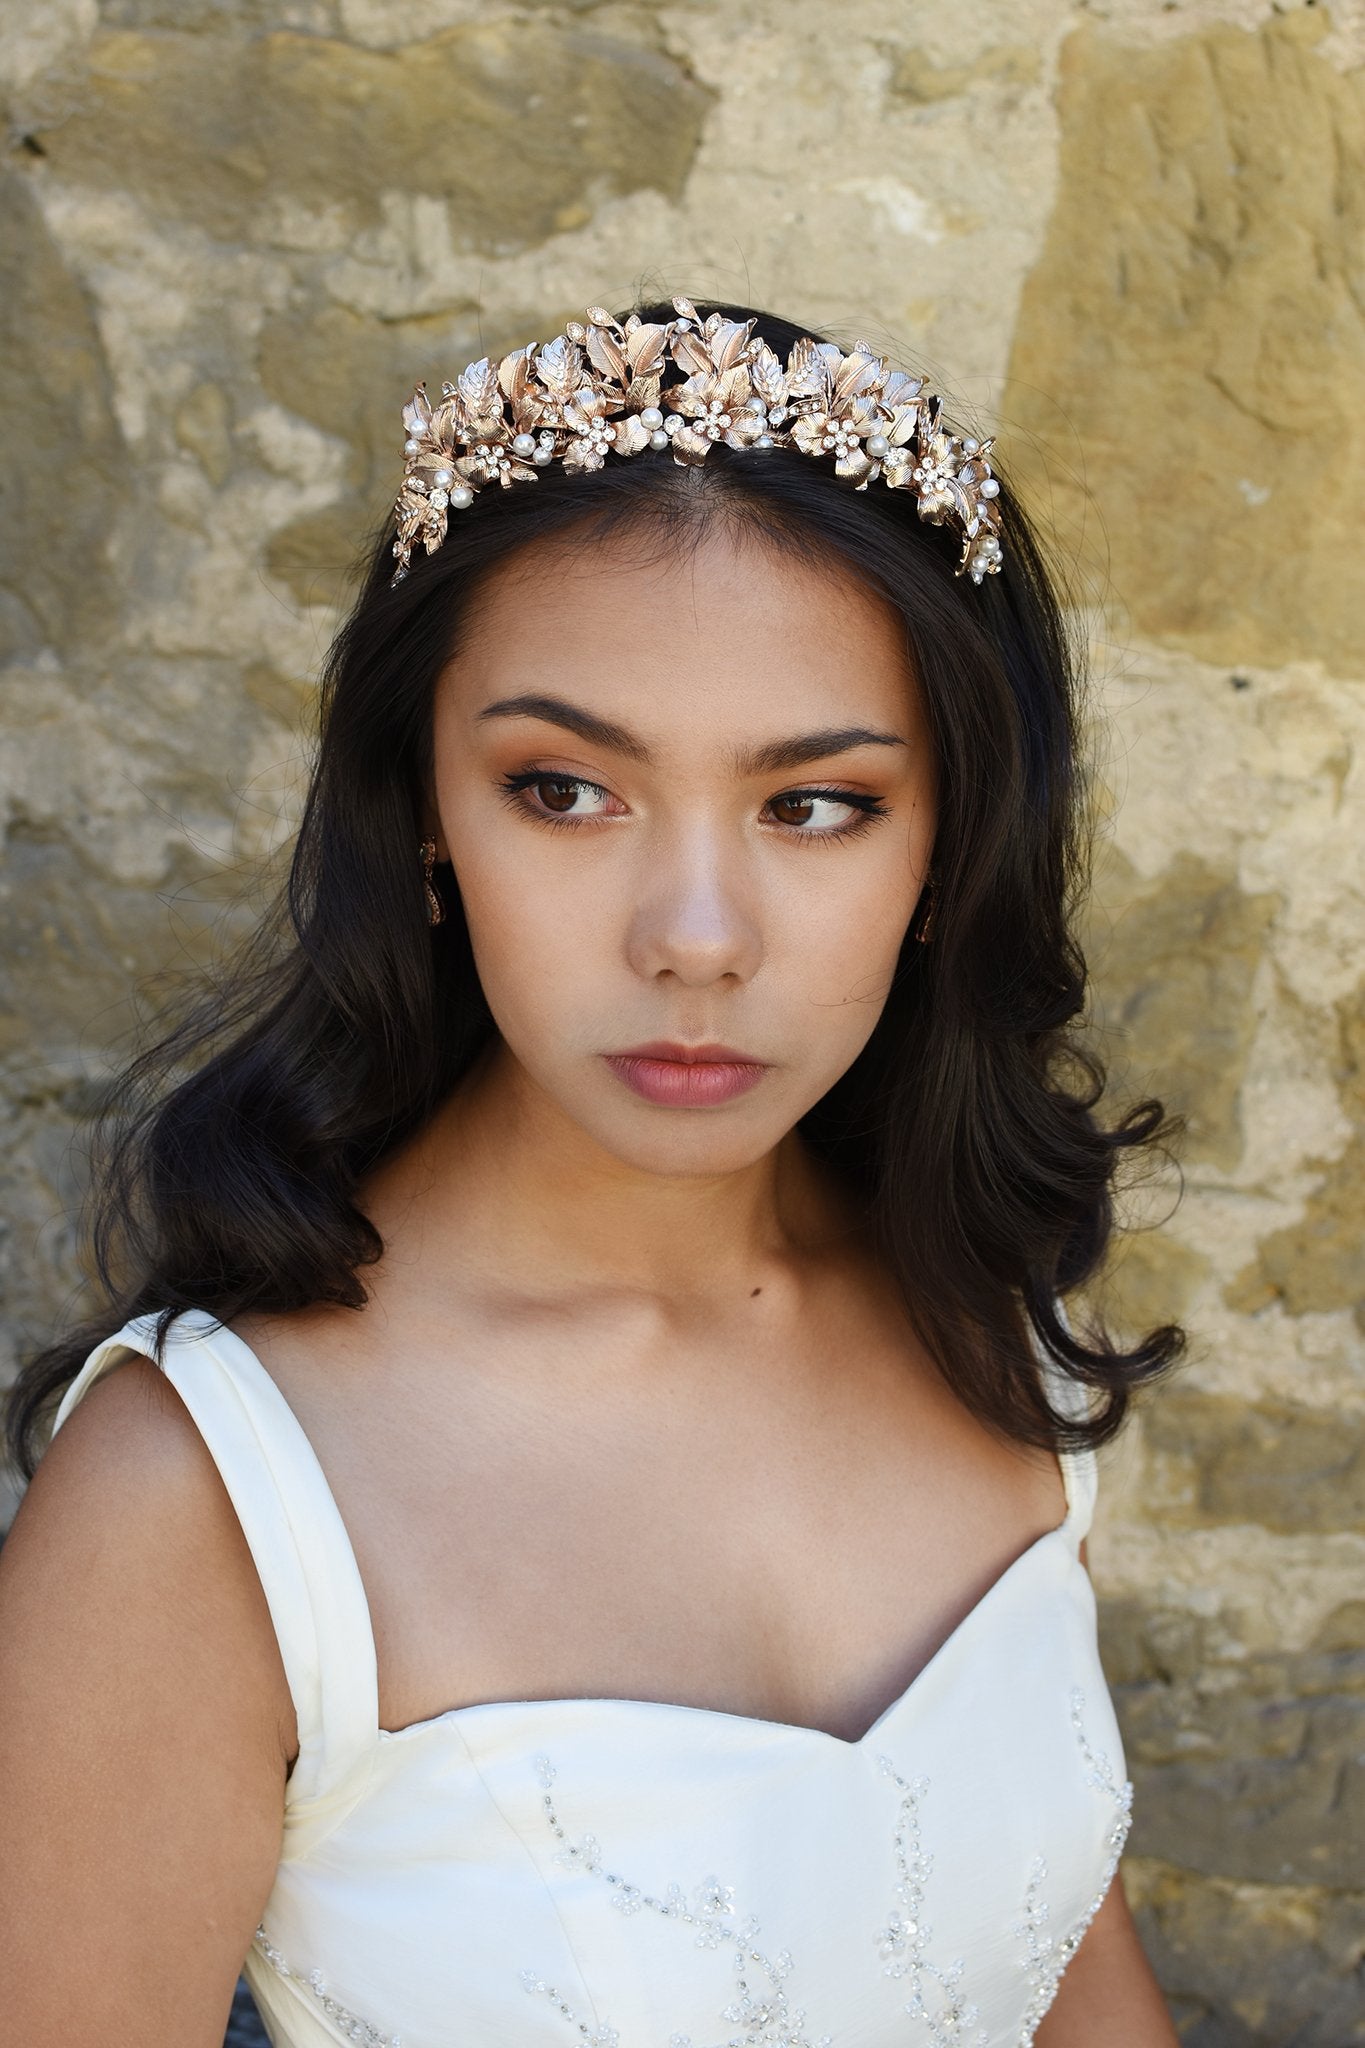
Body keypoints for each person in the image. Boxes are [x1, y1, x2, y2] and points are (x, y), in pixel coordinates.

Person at [0, 296, 1184, 2046]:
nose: (693, 939)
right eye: (563, 791)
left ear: (950, 838)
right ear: (420, 809)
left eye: (814, 805)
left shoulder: (973, 1311)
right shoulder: (207, 1496)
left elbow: (1058, 1978)